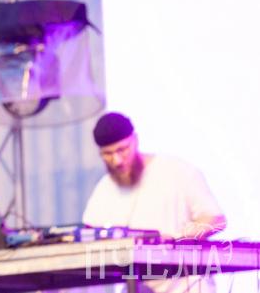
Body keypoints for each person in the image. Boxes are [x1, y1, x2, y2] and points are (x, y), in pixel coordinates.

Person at [83, 112, 226, 293]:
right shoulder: (103, 189)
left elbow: (215, 219)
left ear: (135, 140)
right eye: (108, 154)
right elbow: (89, 235)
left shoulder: (176, 170)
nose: (117, 160)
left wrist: (175, 238)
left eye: (122, 149)